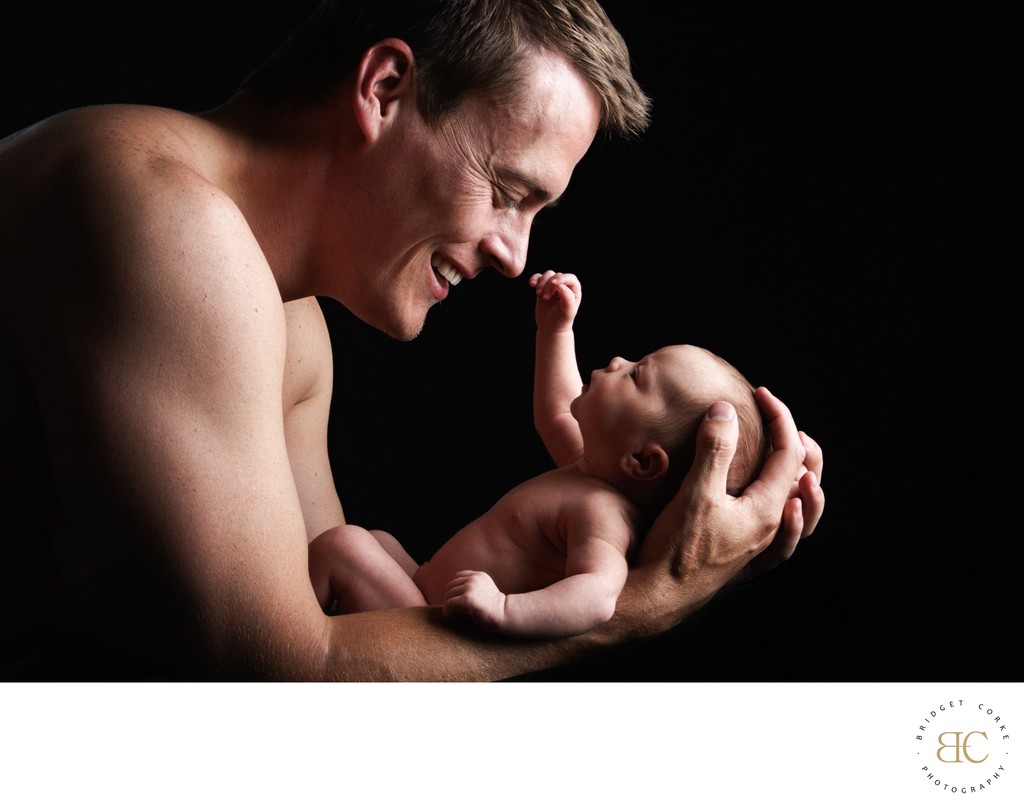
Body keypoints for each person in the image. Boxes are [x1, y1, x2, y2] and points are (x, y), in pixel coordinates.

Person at [0, 0, 823, 681]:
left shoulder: (291, 325)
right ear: (385, 88)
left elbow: (345, 633)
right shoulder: (163, 224)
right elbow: (278, 678)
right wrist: (642, 603)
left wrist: (661, 527)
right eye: (506, 191)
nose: (514, 256)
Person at [309, 271, 770, 638]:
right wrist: (556, 329)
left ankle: (269, 646)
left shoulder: (602, 515)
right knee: (379, 542)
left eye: (634, 377)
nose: (616, 362)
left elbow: (597, 596)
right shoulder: (590, 472)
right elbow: (556, 412)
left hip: (438, 629)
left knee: (343, 546)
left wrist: (506, 609)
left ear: (643, 461)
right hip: (426, 595)